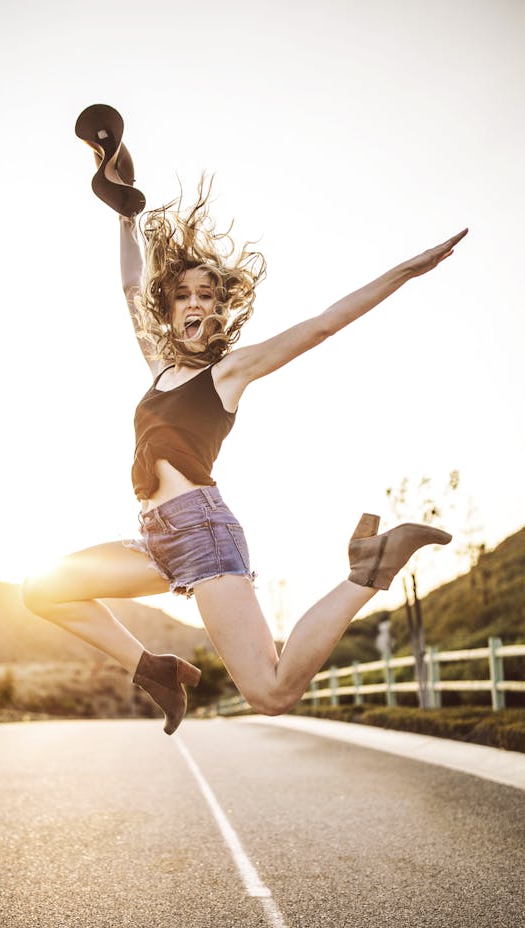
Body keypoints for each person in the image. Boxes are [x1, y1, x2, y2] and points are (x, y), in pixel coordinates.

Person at [23, 104, 467, 735]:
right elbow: (129, 287)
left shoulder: (226, 373)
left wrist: (405, 270)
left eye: (208, 295)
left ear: (220, 311)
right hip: (156, 540)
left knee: (272, 692)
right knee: (41, 589)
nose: (196, 304)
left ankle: (369, 569)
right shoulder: (158, 366)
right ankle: (154, 668)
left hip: (202, 534)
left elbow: (322, 324)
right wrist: (126, 217)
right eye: (184, 295)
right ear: (169, 308)